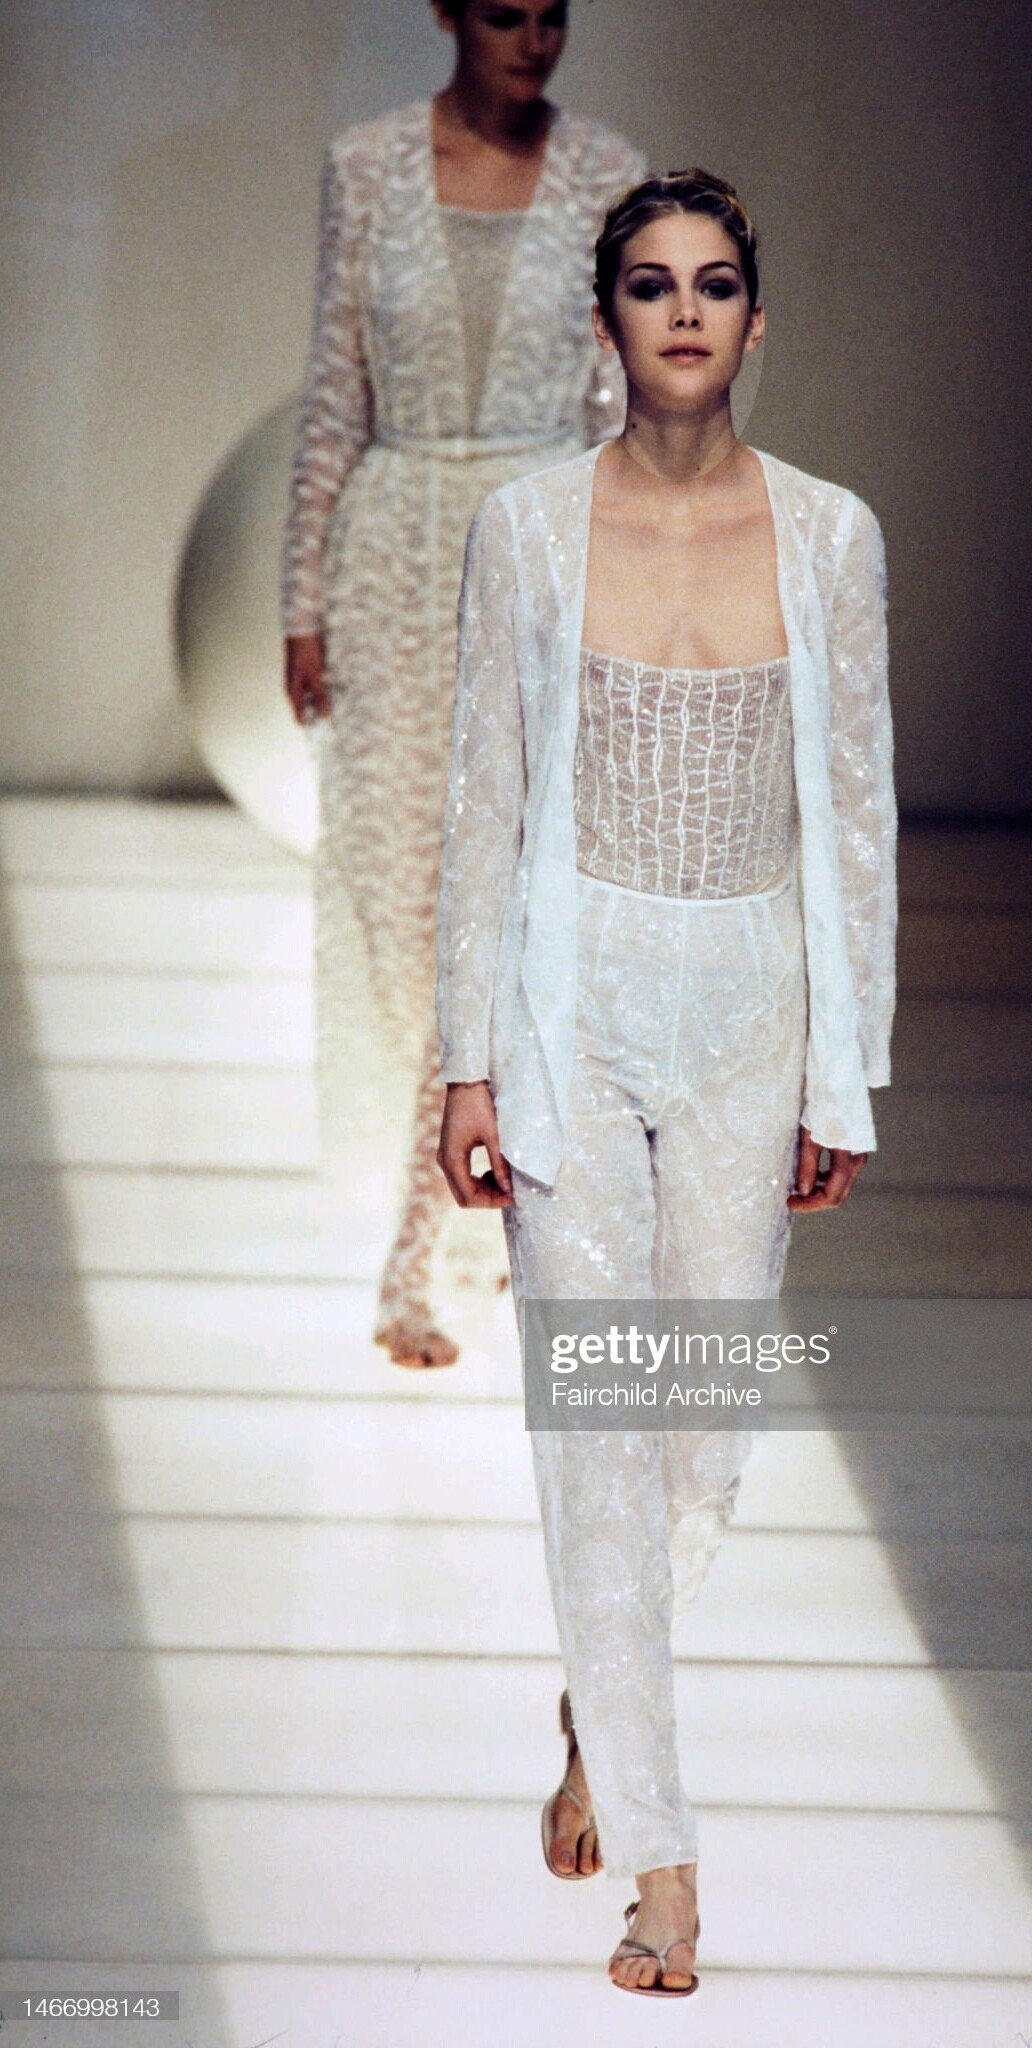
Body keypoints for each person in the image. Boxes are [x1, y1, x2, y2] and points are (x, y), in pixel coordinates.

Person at [436, 169, 896, 1994]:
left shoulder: (835, 536)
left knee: (696, 1443)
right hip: (571, 1012)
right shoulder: (528, 531)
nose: (684, 311)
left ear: (756, 321)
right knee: (594, 1433)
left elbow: (853, 813)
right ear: (605, 320)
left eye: (713, 284)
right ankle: (666, 1867)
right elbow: (485, 801)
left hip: (750, 1016)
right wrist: (464, 1065)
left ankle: (593, 1692)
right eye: (650, 283)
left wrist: (846, 1073)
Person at [280, 0, 646, 1367]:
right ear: (445, 12)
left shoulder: (608, 173)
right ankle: (475, 1209)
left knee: (498, 915)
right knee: (400, 912)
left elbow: (625, 407)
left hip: (538, 568)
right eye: (505, 14)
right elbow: (336, 389)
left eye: (555, 15)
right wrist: (301, 599)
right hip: (391, 566)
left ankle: (419, 1248)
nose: (535, 43)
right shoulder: (368, 164)